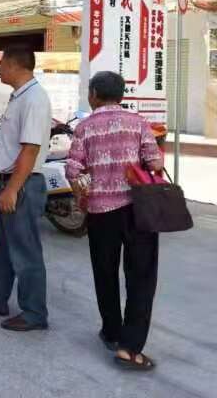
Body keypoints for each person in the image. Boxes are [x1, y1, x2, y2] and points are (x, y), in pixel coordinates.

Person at [65, 71, 163, 371]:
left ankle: (111, 331)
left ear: (94, 94)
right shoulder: (138, 123)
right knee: (141, 276)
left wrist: (86, 187)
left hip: (101, 213)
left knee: (105, 272)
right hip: (139, 210)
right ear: (121, 95)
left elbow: (73, 169)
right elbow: (155, 162)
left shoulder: (85, 127)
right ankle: (130, 348)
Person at [0, 45, 52, 331]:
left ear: (16, 65)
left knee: (26, 251)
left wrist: (13, 189)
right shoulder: (19, 96)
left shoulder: (34, 99)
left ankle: (34, 313)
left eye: (2, 63)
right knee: (3, 246)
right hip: (10, 180)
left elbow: (30, 149)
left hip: (22, 184)